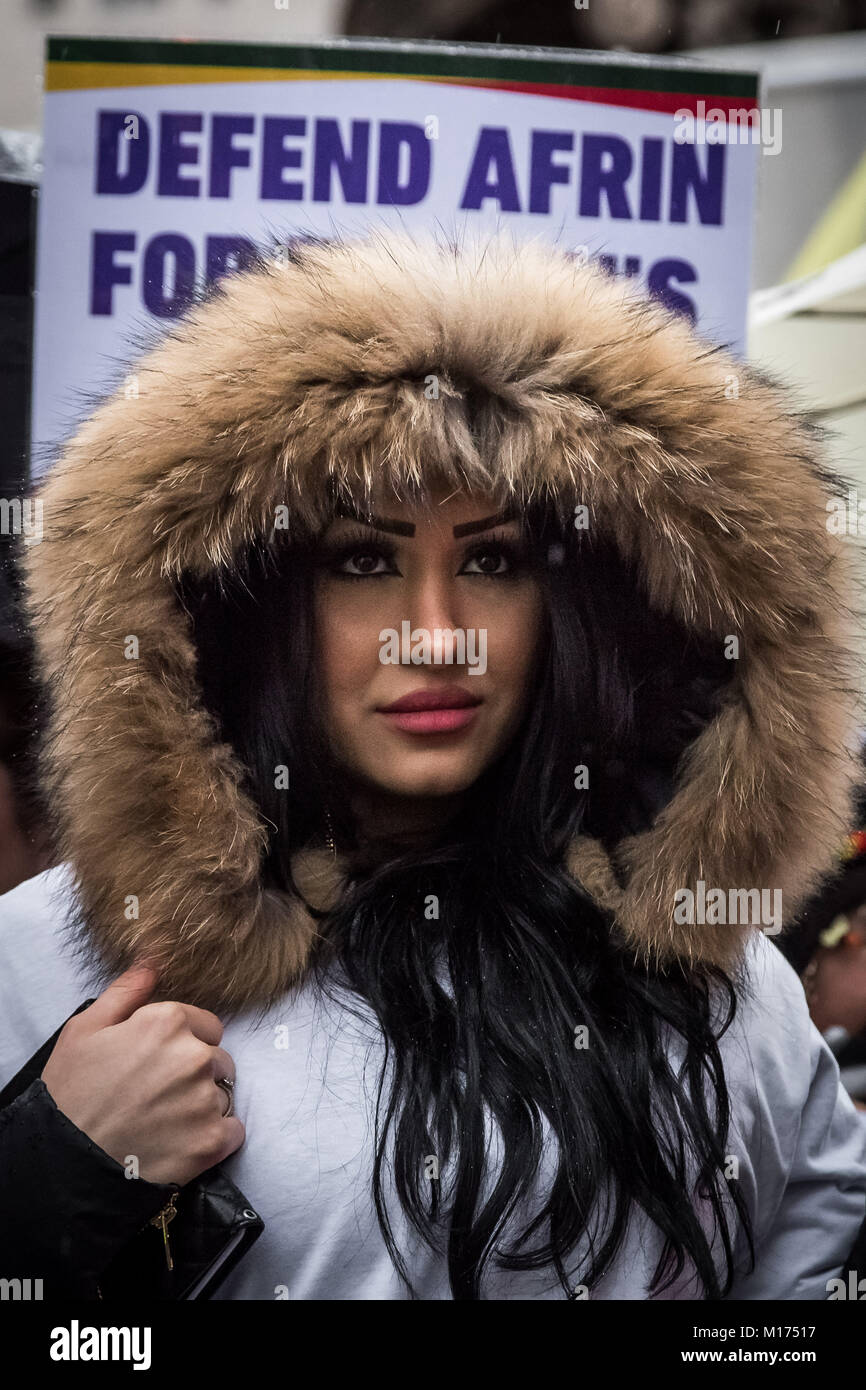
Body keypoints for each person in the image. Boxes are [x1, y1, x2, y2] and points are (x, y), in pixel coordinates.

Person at [1, 231, 865, 1301]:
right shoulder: (49, 968)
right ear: (245, 603)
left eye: (491, 562)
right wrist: (47, 1178)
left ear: (578, 611)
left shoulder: (725, 981)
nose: (436, 635)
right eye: (362, 561)